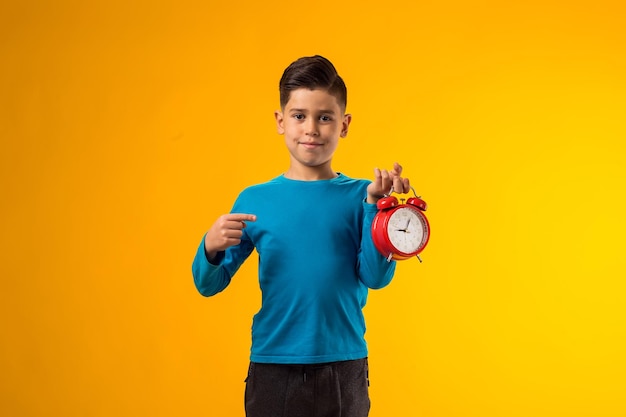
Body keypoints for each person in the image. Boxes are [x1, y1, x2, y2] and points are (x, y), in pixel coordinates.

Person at [192, 55, 411, 417]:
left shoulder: (363, 195)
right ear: (281, 121)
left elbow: (376, 278)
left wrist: (378, 208)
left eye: (325, 117)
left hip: (343, 364)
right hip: (273, 365)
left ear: (344, 125)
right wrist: (210, 247)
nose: (311, 128)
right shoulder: (254, 200)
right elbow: (208, 284)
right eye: (299, 116)